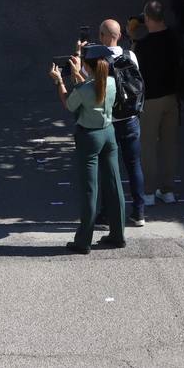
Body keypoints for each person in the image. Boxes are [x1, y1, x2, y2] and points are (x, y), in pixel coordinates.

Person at [49, 44, 125, 254]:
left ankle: (84, 240)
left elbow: (69, 104)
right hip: (108, 133)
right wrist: (78, 74)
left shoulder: (84, 89)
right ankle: (118, 234)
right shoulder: (110, 83)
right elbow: (95, 91)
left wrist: (60, 81)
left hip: (89, 137)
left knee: (90, 189)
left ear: (89, 68)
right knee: (114, 184)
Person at [96, 19, 146, 225]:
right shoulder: (130, 55)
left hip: (110, 120)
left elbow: (86, 81)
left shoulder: (99, 59)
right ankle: (139, 212)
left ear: (104, 36)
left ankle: (108, 213)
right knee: (134, 165)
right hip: (131, 118)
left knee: (110, 169)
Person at [133, 2, 181, 207]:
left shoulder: (143, 44)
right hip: (172, 97)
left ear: (148, 18)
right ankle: (168, 190)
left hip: (151, 100)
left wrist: (132, 36)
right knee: (169, 145)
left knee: (148, 146)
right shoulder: (174, 37)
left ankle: (149, 191)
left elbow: (134, 69)